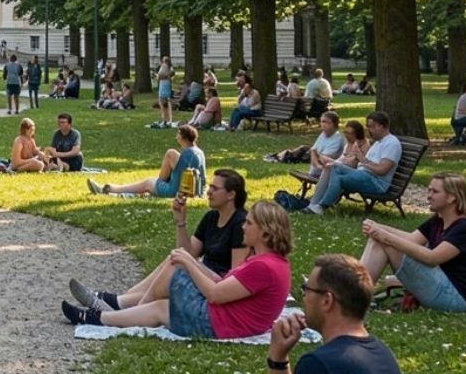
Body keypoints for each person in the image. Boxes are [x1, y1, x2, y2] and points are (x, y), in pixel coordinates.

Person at [62, 200, 293, 340]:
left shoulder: (264, 266)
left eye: (249, 223)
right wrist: (188, 260)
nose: (243, 225)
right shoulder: (267, 260)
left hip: (218, 323)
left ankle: (109, 308)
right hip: (222, 321)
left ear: (266, 232)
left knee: (177, 268)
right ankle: (101, 314)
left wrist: (189, 263)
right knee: (163, 304)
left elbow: (215, 293)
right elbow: (222, 283)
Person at [69, 169, 248, 312]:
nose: (208, 192)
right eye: (210, 187)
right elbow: (190, 252)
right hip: (205, 274)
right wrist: (180, 221)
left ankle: (119, 306)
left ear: (231, 194)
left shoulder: (240, 222)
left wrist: (195, 270)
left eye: (215, 188)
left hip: (220, 284)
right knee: (177, 257)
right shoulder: (211, 217)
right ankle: (118, 302)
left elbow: (235, 274)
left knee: (178, 260)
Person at [357, 172, 466, 313]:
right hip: (440, 284)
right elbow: (412, 239)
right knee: (379, 239)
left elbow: (432, 258)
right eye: (429, 190)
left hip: (456, 299)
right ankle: (353, 292)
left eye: (435, 191)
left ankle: (353, 298)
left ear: (452, 197)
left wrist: (386, 237)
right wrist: (378, 228)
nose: (429, 195)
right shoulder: (438, 220)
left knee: (385, 242)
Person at [267, 254, 401, 374]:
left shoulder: (319, 364)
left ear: (327, 301)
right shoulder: (383, 355)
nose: (304, 298)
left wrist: (275, 357)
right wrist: (279, 359)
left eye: (306, 290)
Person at [305, 111, 401, 215]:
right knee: (332, 167)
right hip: (364, 174)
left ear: (383, 126)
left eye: (372, 127)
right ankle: (314, 204)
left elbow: (382, 170)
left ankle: (321, 206)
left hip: (375, 182)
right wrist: (362, 161)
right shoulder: (378, 142)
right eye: (368, 127)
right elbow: (368, 164)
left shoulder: (392, 143)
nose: (370, 130)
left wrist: (361, 159)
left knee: (338, 178)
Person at [88, 124, 206, 198]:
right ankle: (114, 190)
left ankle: (110, 189)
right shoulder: (199, 153)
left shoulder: (175, 154)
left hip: (176, 191)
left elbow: (162, 178)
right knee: (148, 185)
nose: (176, 137)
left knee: (148, 183)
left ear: (183, 137)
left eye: (178, 134)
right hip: (194, 191)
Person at [265, 111, 342, 169]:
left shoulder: (337, 139)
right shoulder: (323, 134)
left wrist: (313, 154)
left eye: (326, 122)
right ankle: (279, 156)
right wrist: (313, 152)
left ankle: (279, 157)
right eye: (322, 121)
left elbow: (324, 156)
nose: (322, 124)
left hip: (323, 163)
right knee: (303, 148)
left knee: (301, 150)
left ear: (334, 124)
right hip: (315, 159)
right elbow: (314, 149)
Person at [155, 56, 175, 127]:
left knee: (162, 101)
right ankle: (169, 119)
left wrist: (160, 76)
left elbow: (160, 76)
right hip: (167, 83)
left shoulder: (164, 66)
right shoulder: (170, 67)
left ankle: (165, 118)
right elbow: (172, 74)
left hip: (163, 84)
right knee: (167, 101)